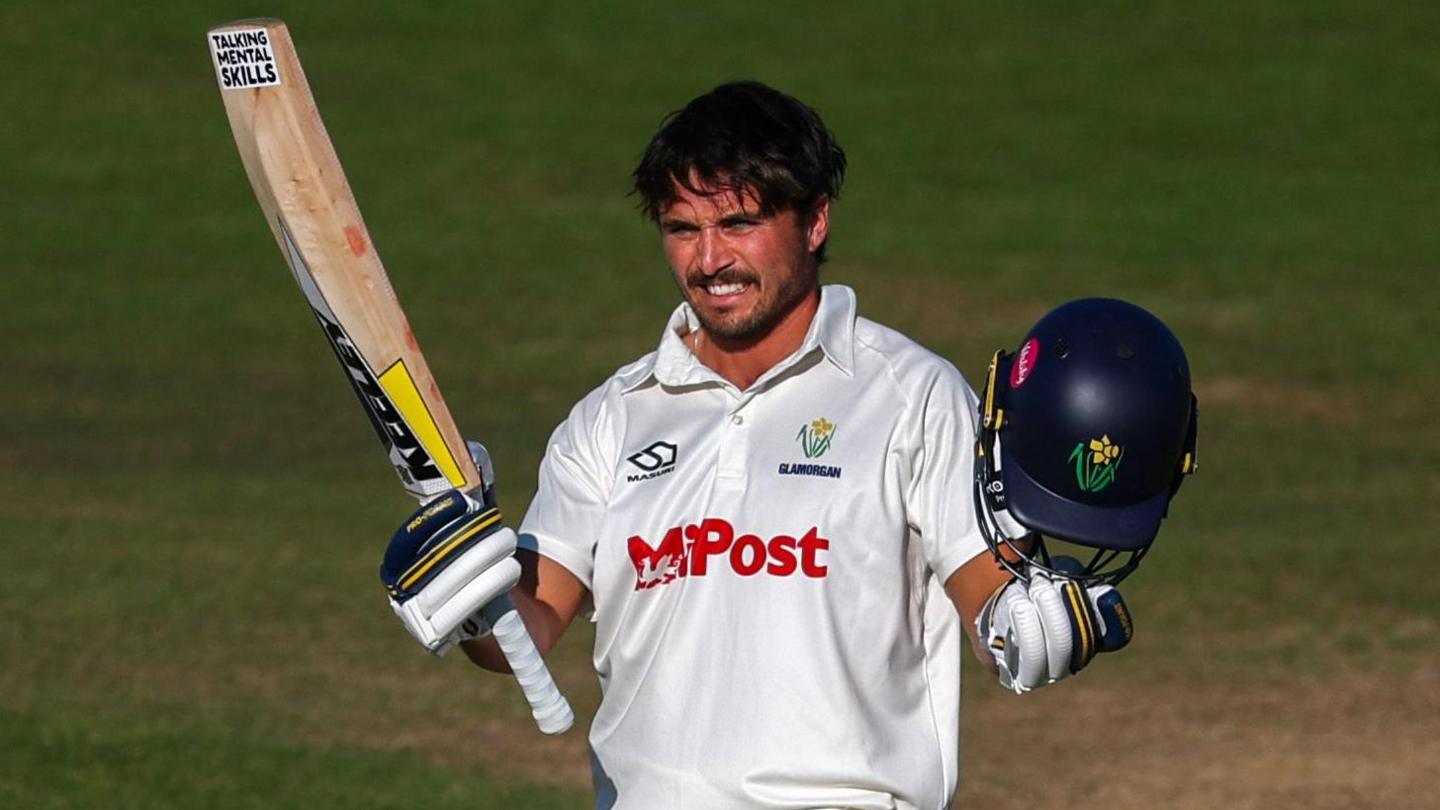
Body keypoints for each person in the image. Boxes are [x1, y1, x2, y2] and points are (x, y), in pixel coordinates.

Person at [379, 81, 1196, 809]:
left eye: (739, 223)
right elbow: (529, 626)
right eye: (682, 228)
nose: (709, 261)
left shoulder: (911, 394)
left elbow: (994, 607)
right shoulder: (611, 417)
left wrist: (1038, 625)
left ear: (814, 221)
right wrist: (468, 593)